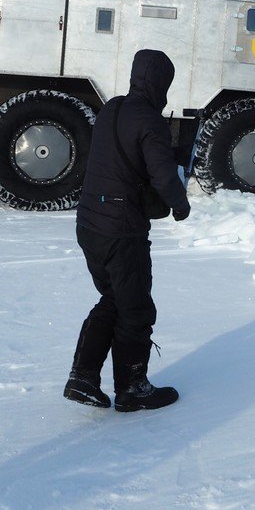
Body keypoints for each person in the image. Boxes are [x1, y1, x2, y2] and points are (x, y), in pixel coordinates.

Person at [65, 48, 192, 412]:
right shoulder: (149, 120)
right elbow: (163, 174)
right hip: (122, 229)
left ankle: (83, 377)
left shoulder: (110, 109)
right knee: (135, 310)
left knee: (114, 301)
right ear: (161, 83)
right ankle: (132, 387)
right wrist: (180, 205)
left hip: (89, 224)